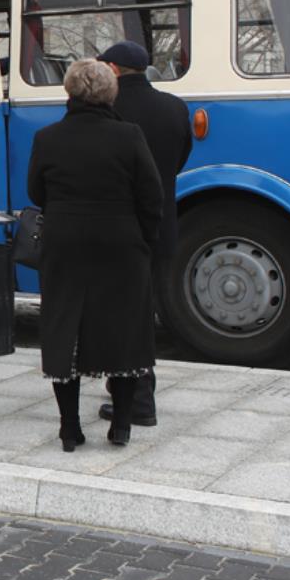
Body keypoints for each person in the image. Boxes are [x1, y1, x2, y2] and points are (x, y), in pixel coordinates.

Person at [26, 58, 162, 450]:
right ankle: (121, 426)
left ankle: (70, 429)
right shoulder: (129, 136)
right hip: (121, 242)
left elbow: (36, 191)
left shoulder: (47, 138)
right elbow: (151, 195)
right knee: (124, 329)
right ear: (110, 93)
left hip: (64, 242)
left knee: (63, 326)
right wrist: (143, 240)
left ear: (68, 91)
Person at [96, 40, 190, 429]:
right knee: (141, 310)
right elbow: (179, 159)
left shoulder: (108, 110)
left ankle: (137, 400)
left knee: (121, 316)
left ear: (113, 70)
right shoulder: (175, 107)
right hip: (159, 225)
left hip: (117, 228)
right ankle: (124, 386)